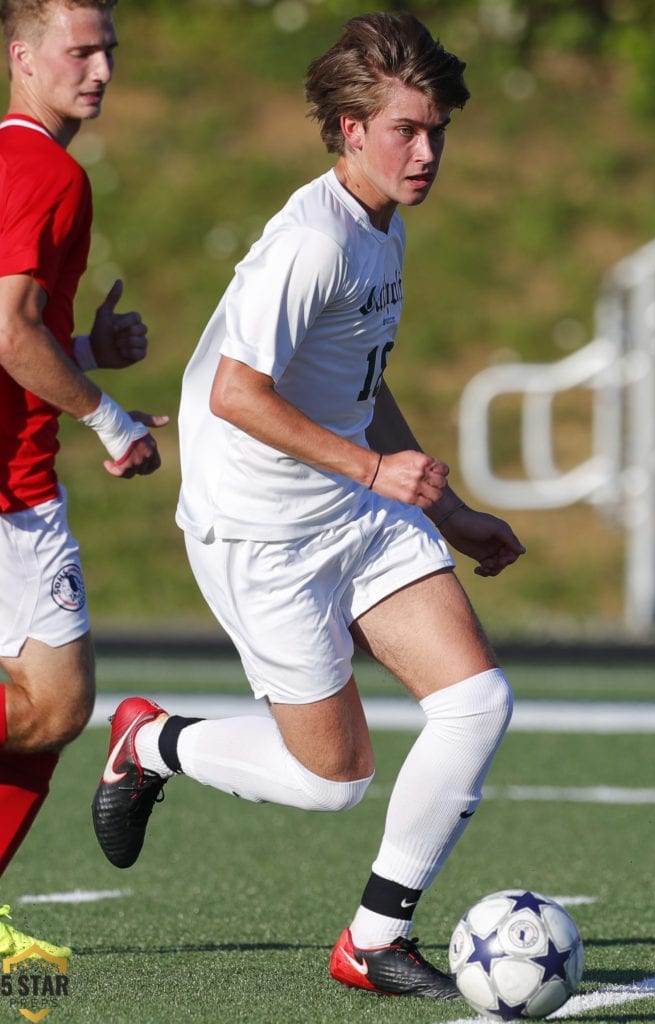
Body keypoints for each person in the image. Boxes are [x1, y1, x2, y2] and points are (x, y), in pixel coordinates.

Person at [92, 10, 525, 999]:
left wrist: (446, 510)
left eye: (436, 130)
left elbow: (357, 381)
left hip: (350, 506)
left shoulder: (384, 226)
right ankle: (151, 741)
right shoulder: (309, 244)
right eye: (404, 130)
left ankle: (373, 938)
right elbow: (238, 392)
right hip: (261, 529)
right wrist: (378, 476)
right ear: (346, 130)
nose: (424, 151)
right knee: (332, 782)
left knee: (474, 701)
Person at [0, 0, 166, 960]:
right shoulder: (46, 170)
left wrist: (86, 348)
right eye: (80, 50)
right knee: (57, 708)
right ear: (23, 57)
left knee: (43, 717)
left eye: (109, 50)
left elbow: (18, 328)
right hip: (11, 483)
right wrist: (105, 416)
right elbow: (8, 331)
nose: (100, 68)